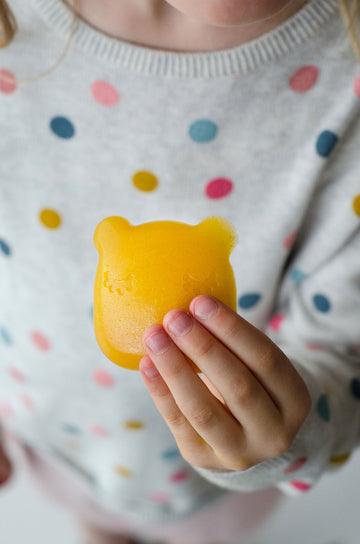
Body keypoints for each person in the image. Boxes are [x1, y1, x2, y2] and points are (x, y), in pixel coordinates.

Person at [0, 0, 360, 543]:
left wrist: (283, 431)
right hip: (49, 441)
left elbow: (344, 351)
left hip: (212, 491)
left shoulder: (345, 79)